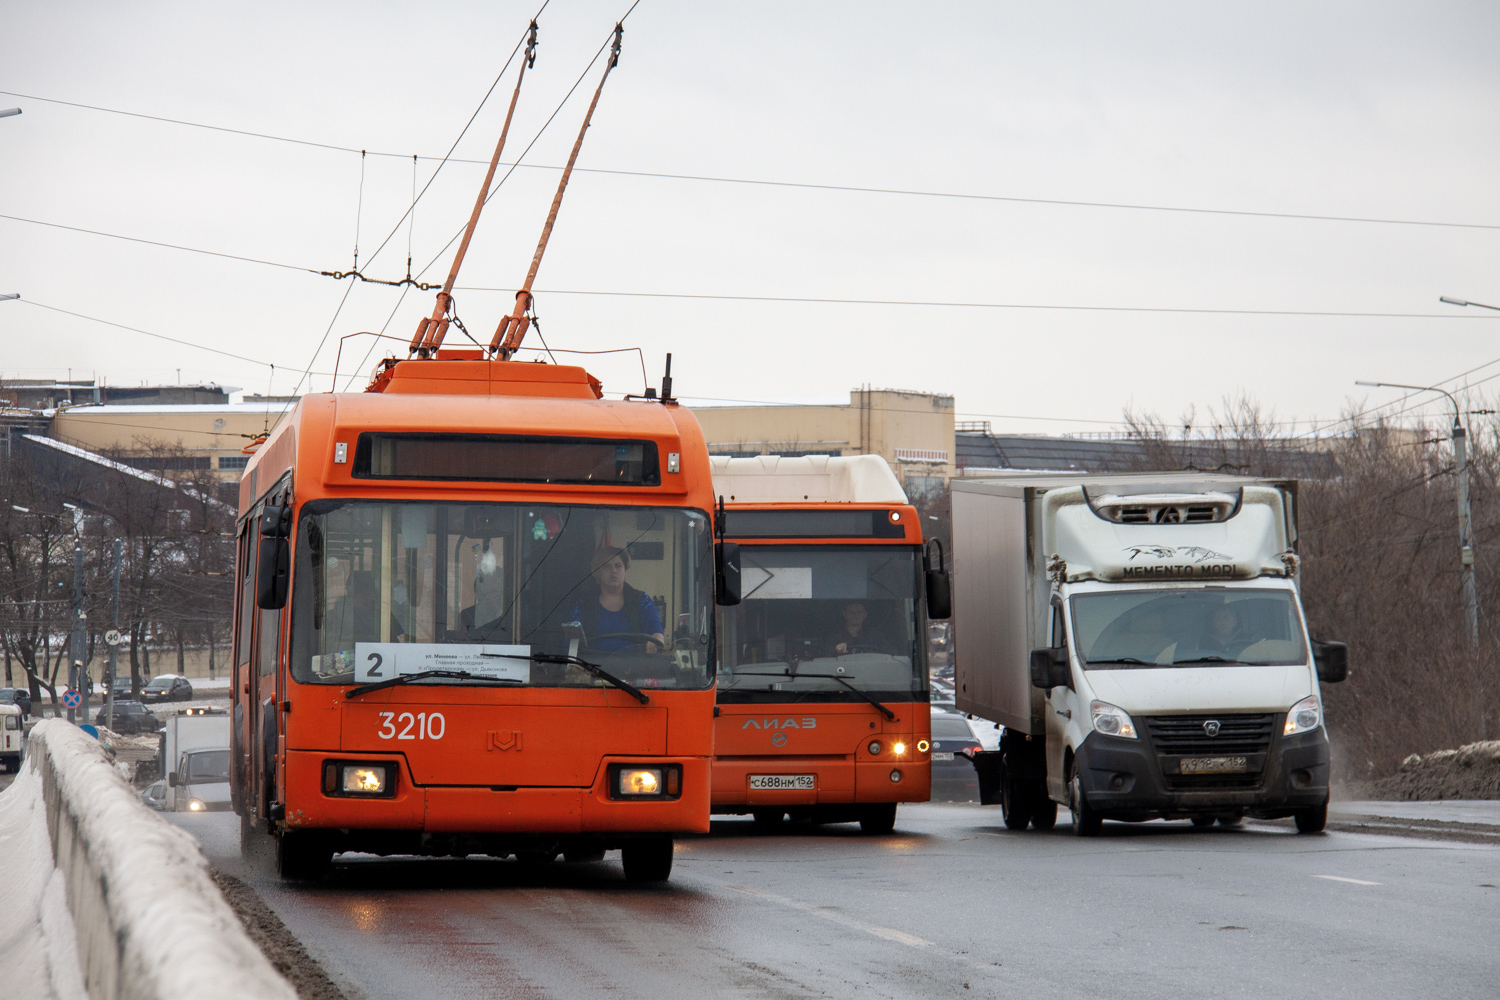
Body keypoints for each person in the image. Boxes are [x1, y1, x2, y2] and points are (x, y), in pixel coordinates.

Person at [571, 548, 665, 653]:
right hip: (592, 667)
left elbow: (656, 629)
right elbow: (572, 642)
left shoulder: (641, 599)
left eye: (618, 566)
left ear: (625, 571)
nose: (613, 570)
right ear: (598, 573)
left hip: (635, 667)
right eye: (607, 566)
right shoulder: (584, 602)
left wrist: (656, 639)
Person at [827, 601, 894, 656]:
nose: (856, 615)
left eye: (859, 612)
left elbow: (891, 653)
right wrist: (837, 651)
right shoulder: (835, 637)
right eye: (852, 612)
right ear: (844, 614)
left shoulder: (874, 635)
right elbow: (825, 658)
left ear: (865, 614)